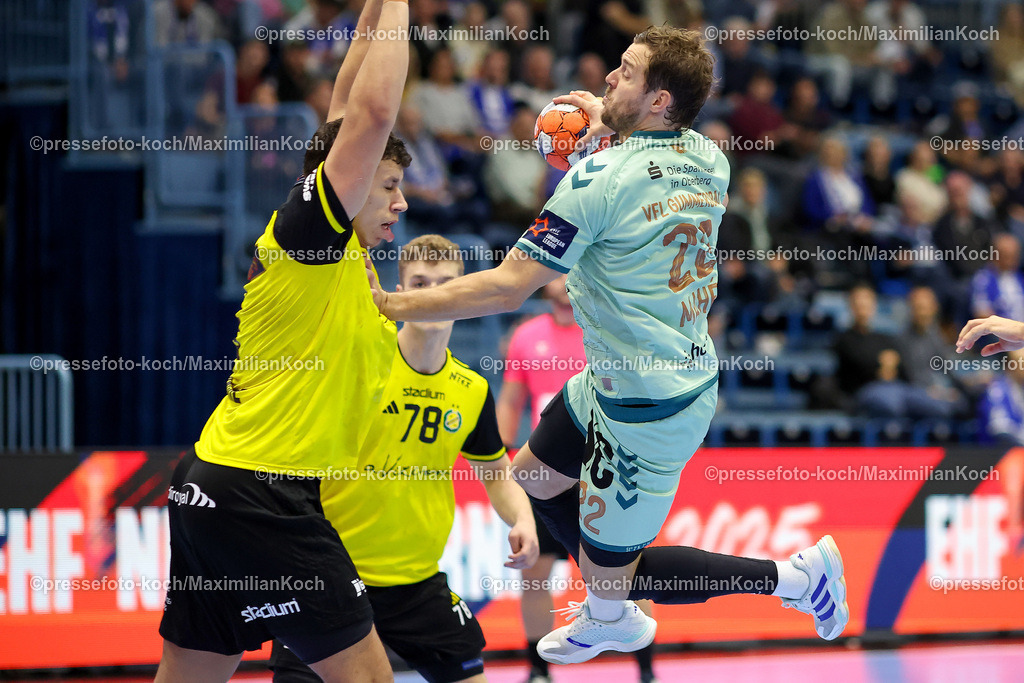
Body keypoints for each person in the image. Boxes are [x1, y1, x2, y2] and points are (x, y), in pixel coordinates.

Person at [370, 26, 849, 666]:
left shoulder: (597, 181)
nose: (606, 81)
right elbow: (646, 163)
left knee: (614, 580)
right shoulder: (711, 159)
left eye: (624, 72)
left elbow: (511, 286)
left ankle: (794, 579)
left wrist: (391, 304)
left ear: (658, 101)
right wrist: (611, 126)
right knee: (533, 481)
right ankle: (610, 609)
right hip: (624, 376)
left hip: (651, 412)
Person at [155, 1, 410, 681]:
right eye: (388, 184)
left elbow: (345, 104)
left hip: (212, 482)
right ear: (347, 183)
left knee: (190, 674)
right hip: (265, 493)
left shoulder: (342, 261)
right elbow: (372, 112)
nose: (400, 202)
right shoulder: (308, 236)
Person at [268, 235, 540, 683]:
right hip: (335, 579)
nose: (432, 293)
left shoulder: (471, 389)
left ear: (463, 291)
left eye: (445, 283)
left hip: (418, 584)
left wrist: (523, 519)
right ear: (399, 289)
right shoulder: (359, 363)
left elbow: (496, 474)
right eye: (419, 282)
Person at [496, 276, 657, 683]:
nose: (562, 283)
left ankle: (646, 669)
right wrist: (497, 462)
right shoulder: (526, 337)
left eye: (571, 275)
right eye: (555, 275)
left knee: (626, 571)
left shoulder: (605, 332)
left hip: (604, 470)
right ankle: (537, 670)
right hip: (544, 471)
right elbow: (511, 401)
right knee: (534, 571)